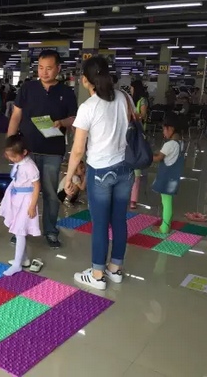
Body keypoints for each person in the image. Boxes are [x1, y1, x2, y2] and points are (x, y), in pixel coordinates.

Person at [65, 56, 133, 291]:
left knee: (100, 224)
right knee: (119, 221)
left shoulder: (88, 107)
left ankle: (97, 275)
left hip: (100, 172)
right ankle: (115, 269)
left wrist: (69, 176)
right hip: (125, 169)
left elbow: (78, 150)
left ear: (85, 80)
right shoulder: (125, 98)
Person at [7, 49, 77, 249]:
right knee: (24, 193)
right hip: (26, 151)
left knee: (50, 193)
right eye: (40, 68)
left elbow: (73, 119)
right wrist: (10, 144)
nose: (44, 72)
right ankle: (20, 229)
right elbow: (16, 116)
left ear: (58, 69)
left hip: (52, 151)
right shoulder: (28, 88)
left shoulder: (66, 93)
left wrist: (62, 122)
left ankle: (51, 231)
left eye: (49, 68)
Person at [0, 135, 41, 276]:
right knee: (18, 229)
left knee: (20, 232)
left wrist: (32, 206)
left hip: (26, 201)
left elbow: (37, 186)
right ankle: (24, 259)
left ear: (24, 152)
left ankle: (17, 264)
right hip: (17, 198)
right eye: (9, 156)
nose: (11, 159)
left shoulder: (30, 167)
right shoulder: (19, 162)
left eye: (13, 156)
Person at [152, 113, 185, 234]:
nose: (163, 132)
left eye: (164, 129)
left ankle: (164, 227)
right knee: (167, 201)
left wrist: (145, 157)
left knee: (166, 202)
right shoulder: (180, 143)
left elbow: (158, 158)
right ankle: (166, 223)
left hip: (166, 179)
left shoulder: (169, 144)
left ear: (170, 128)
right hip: (174, 178)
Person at [129, 79, 148, 209]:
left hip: (138, 135)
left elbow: (143, 115)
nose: (130, 90)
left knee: (136, 168)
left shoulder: (142, 100)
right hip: (129, 133)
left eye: (131, 88)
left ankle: (133, 199)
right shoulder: (130, 100)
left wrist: (133, 116)